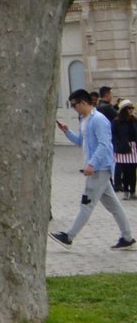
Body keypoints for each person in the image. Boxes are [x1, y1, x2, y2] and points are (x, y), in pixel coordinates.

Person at [50, 89, 135, 251]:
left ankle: (69, 237)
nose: (74, 108)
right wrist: (67, 131)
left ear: (83, 102)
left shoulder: (98, 120)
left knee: (86, 204)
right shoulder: (85, 120)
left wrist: (91, 164)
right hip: (98, 169)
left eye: (74, 105)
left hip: (99, 169)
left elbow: (104, 145)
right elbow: (80, 141)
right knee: (114, 206)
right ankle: (127, 237)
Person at [113, 100, 137, 200]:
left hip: (133, 148)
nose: (131, 110)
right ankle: (126, 190)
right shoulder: (117, 121)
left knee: (133, 171)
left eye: (132, 108)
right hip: (122, 149)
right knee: (125, 171)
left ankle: (133, 191)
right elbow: (113, 135)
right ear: (124, 110)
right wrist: (117, 145)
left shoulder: (134, 120)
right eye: (129, 108)